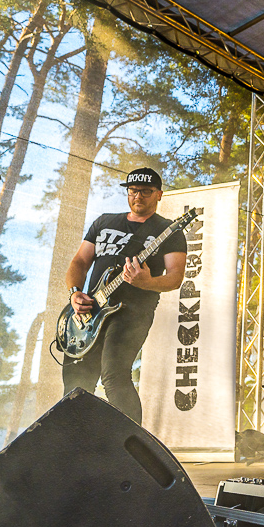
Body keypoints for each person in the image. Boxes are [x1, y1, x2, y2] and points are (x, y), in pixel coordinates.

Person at [63, 167, 186, 423]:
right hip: (90, 312)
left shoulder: (169, 231)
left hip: (132, 312)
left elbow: (175, 278)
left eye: (145, 191)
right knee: (76, 381)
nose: (138, 196)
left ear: (159, 194)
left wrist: (147, 282)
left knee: (114, 376)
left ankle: (130, 442)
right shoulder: (104, 222)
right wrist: (75, 293)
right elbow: (79, 262)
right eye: (133, 190)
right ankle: (75, 439)